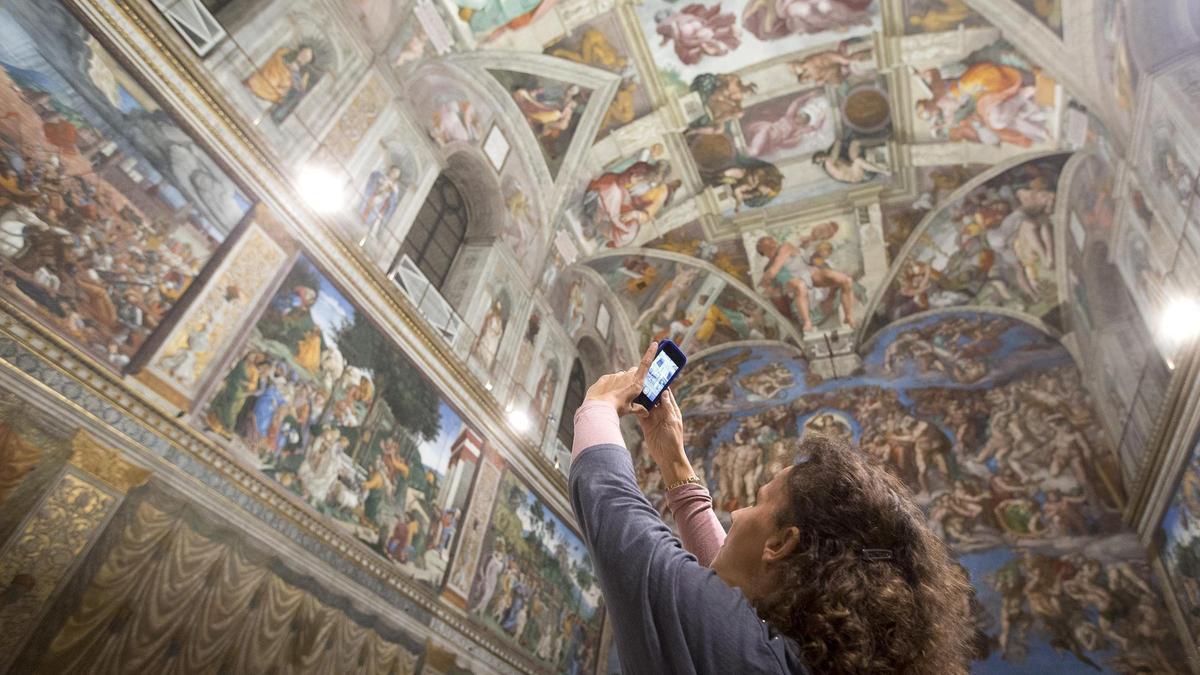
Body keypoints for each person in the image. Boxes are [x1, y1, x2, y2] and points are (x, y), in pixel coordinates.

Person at [570, 343, 974, 674]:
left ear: (780, 543)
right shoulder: (796, 659)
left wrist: (600, 403)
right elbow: (727, 596)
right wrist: (674, 461)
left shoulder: (745, 656)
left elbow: (614, 513)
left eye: (757, 502)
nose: (737, 515)